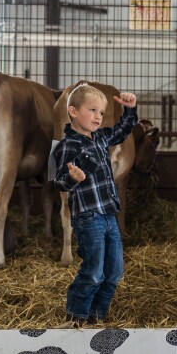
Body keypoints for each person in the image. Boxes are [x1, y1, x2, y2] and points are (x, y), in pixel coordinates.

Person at [52, 83, 138, 326]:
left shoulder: (100, 138)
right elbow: (59, 182)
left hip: (109, 215)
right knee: (93, 272)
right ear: (73, 112)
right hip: (88, 218)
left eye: (101, 112)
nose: (98, 117)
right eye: (92, 111)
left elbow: (122, 130)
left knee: (114, 272)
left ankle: (97, 317)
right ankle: (76, 316)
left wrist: (130, 110)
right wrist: (72, 178)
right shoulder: (67, 145)